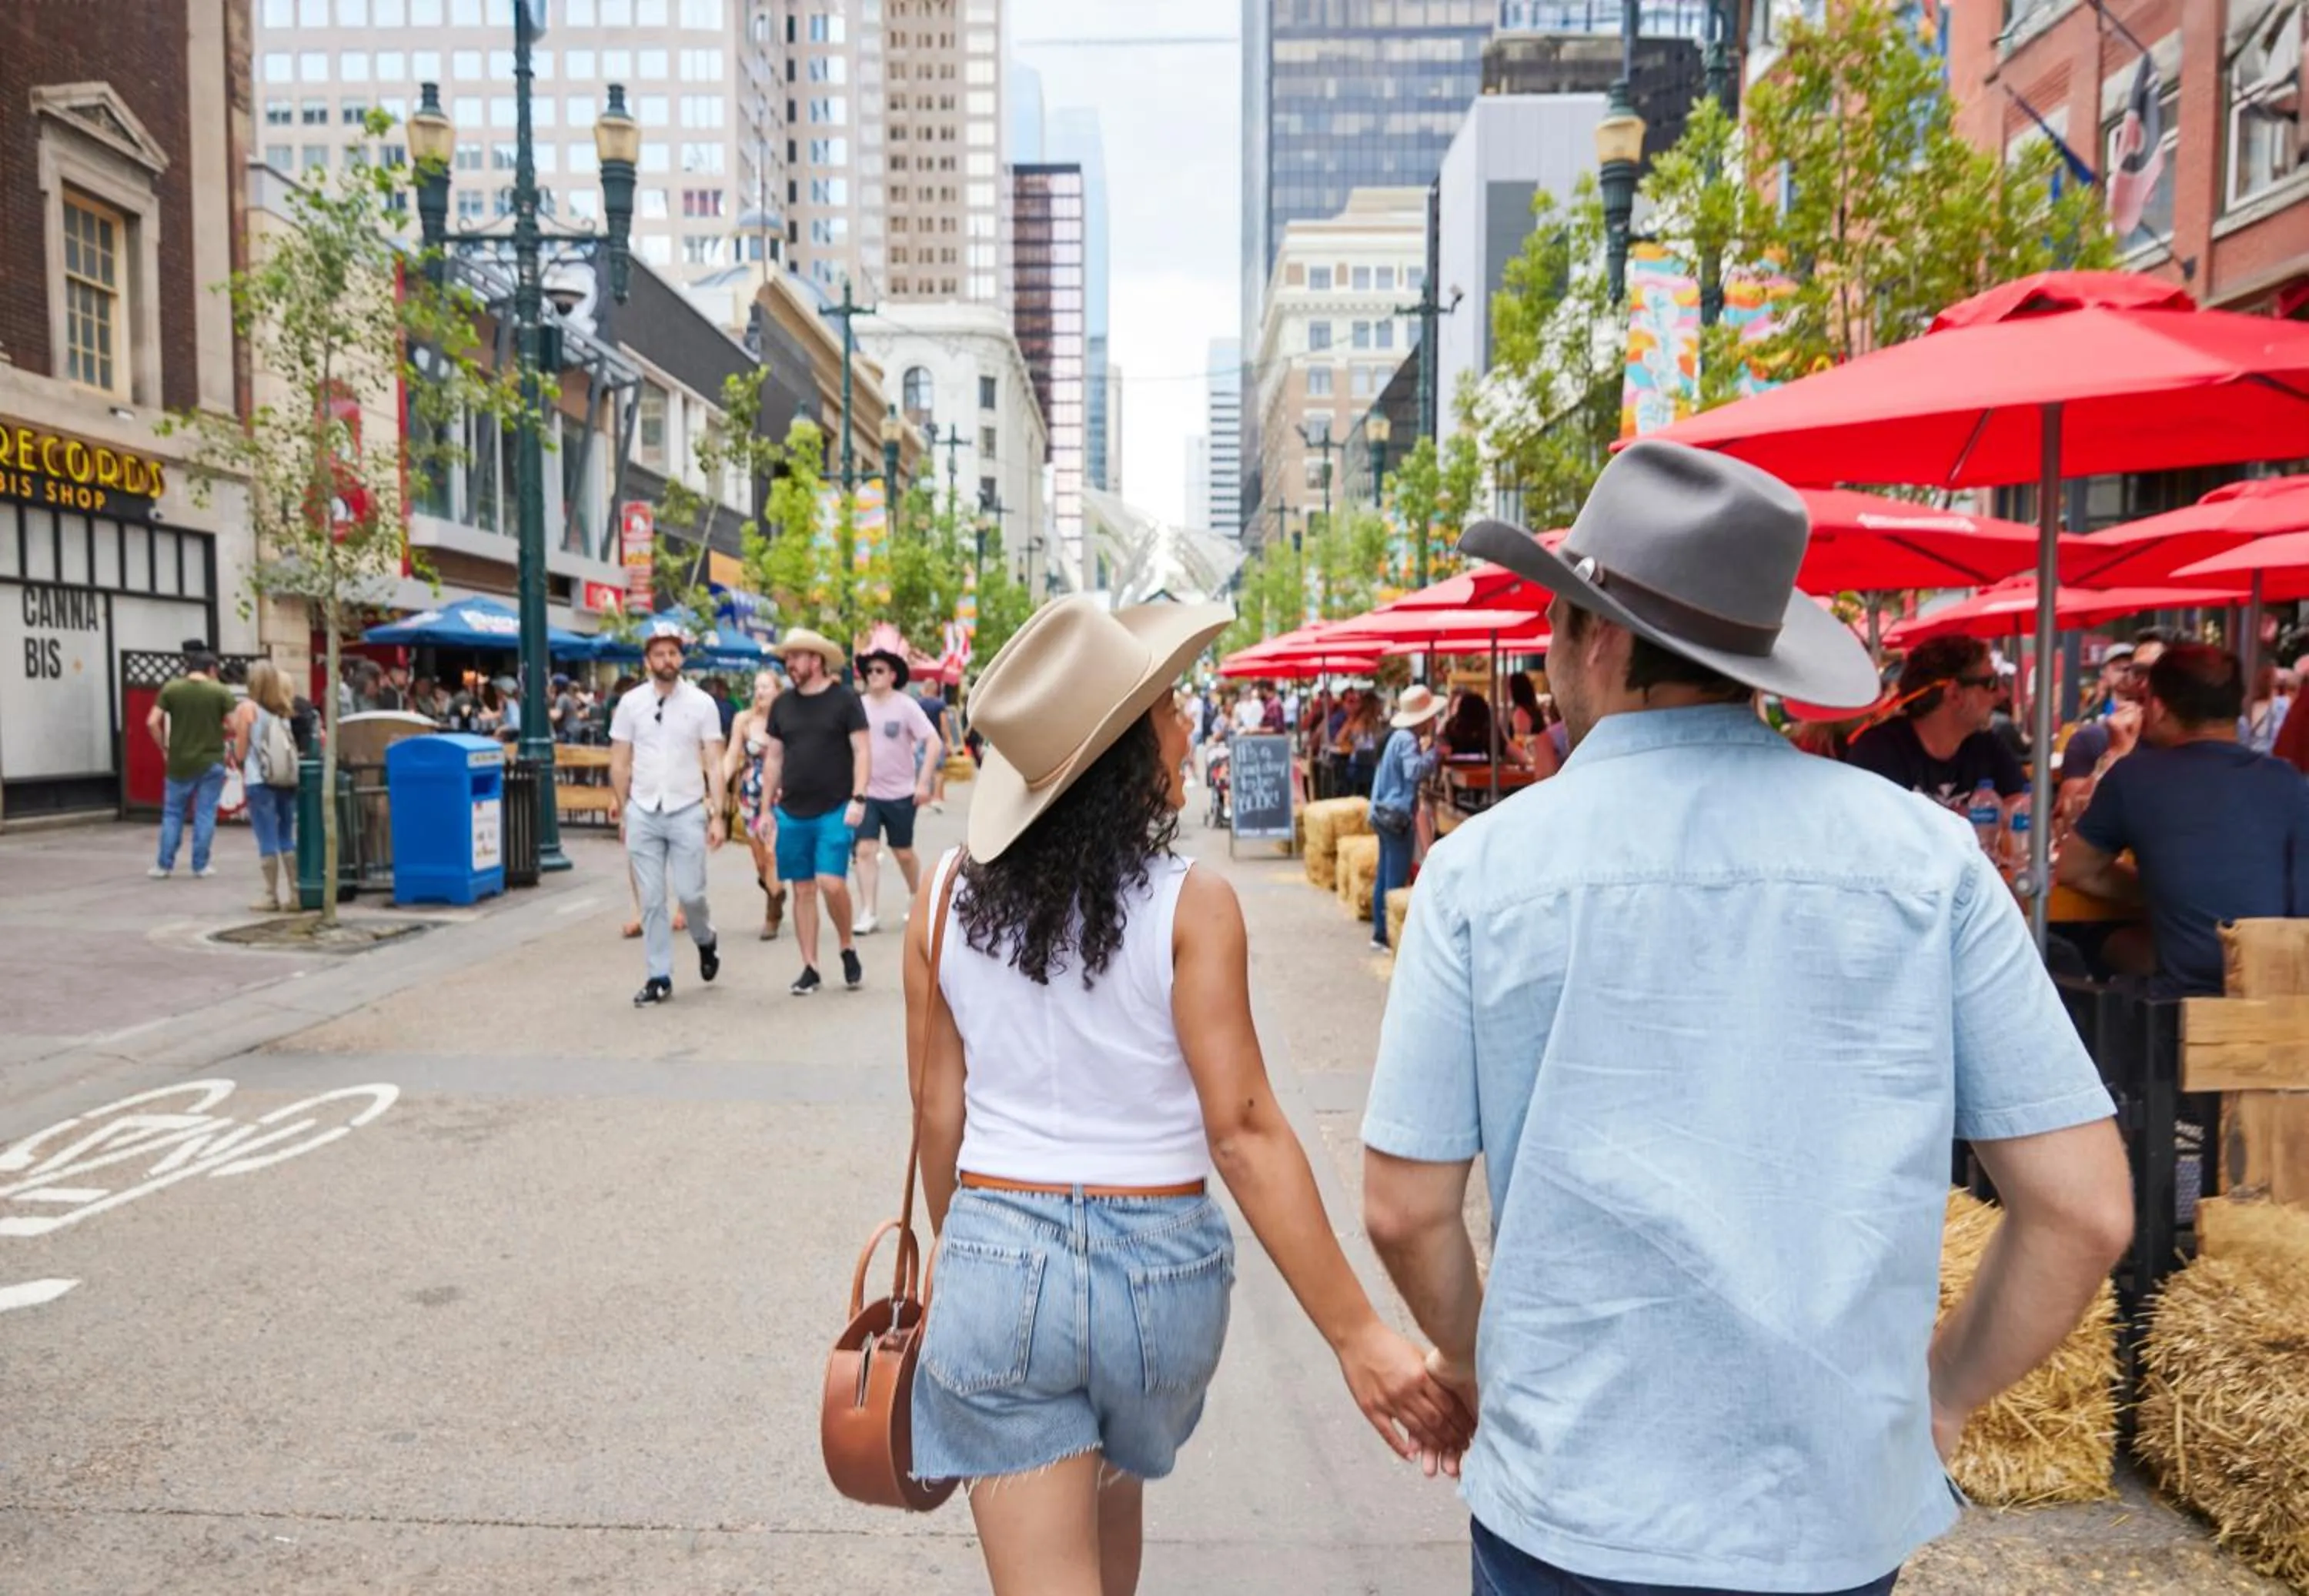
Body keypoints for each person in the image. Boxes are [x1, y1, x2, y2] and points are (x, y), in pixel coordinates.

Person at [1364, 442, 2132, 1595]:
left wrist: (1480, 1360)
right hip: (1828, 1509)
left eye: (1559, 614)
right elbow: (2082, 1207)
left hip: (1573, 1494)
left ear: (1600, 636)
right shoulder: (1927, 861)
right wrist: (1946, 1391)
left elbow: (1403, 1207)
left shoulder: (1483, 873)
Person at [905, 596, 1472, 1596]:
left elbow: (937, 1115)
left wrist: (978, 1250)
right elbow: (1246, 1134)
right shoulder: (1190, 903)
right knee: (1110, 1527)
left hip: (997, 1255)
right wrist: (1359, 1335)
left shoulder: (946, 896)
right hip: (1156, 1285)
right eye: (1168, 706)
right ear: (1125, 753)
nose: (1184, 722)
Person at [2057, 644, 2309, 997]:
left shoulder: (2134, 778)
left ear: (2158, 709)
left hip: (2182, 1008)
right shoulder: (2290, 781)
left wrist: (2158, 888)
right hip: (2285, 999)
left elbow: (2072, 869)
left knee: (2072, 940)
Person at [609, 621, 726, 1007]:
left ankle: (705, 940)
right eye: (659, 653)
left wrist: (718, 814)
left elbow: (714, 760)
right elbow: (621, 759)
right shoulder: (631, 703)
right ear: (647, 660)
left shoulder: (701, 704)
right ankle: (659, 975)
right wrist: (622, 804)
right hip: (643, 809)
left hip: (687, 807)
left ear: (682, 659)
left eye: (673, 653)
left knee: (691, 894)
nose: (667, 660)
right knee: (652, 900)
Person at [763, 627, 870, 995]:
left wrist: (859, 798)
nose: (789, 664)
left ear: (817, 660)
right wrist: (764, 809)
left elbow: (863, 751)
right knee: (803, 889)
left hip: (835, 808)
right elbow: (773, 758)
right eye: (787, 658)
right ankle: (810, 966)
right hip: (791, 811)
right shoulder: (782, 705)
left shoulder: (845, 701)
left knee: (830, 882)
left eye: (796, 656)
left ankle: (846, 944)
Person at [1844, 635, 2028, 816]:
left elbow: (2026, 806)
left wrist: (1971, 816)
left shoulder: (1987, 745)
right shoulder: (1879, 751)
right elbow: (1881, 828)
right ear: (1954, 693)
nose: (2003, 694)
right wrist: (1972, 819)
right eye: (1991, 683)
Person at [850, 646, 940, 937]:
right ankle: (868, 911)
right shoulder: (857, 706)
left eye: (879, 671)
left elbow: (933, 742)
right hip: (866, 792)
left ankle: (916, 894)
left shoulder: (906, 706)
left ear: (892, 676)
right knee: (865, 850)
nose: (873, 675)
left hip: (902, 793)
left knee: (902, 853)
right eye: (869, 671)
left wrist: (924, 782)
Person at [147, 648, 237, 880]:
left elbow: (151, 722)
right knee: (205, 813)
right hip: (211, 761)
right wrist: (218, 728)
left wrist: (164, 747)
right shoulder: (220, 691)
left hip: (179, 762)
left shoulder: (172, 688)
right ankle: (200, 865)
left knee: (173, 813)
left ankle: (163, 865)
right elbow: (234, 726)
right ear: (212, 669)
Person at [1367, 684, 1442, 952]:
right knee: (1395, 878)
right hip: (1396, 816)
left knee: (1384, 875)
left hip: (1382, 812)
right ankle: (1389, 935)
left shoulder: (1397, 738)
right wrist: (1436, 754)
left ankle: (1379, 932)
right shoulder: (1408, 740)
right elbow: (1413, 772)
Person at [227, 660, 302, 911]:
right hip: (284, 780)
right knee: (286, 836)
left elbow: (240, 752)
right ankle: (295, 893)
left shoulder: (248, 709)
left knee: (266, 836)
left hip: (259, 780)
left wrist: (238, 755)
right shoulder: (283, 710)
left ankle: (271, 895)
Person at [723, 669, 788, 940]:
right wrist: (716, 787)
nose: (760, 692)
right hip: (750, 794)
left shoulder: (787, 719)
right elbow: (731, 756)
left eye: (766, 687)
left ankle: (771, 916)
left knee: (772, 854)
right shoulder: (744, 720)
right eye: (757, 686)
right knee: (760, 861)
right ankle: (776, 891)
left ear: (777, 691)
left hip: (779, 793)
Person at [2240, 659, 2291, 756]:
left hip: (2250, 757)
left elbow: (2243, 738)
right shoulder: (2281, 705)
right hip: (2270, 758)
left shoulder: (2248, 704)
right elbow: (2278, 735)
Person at [917, 678, 953, 812]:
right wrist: (948, 741)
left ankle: (922, 799)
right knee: (938, 770)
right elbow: (944, 725)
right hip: (936, 739)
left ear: (925, 688)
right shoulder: (940, 704)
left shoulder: (918, 703)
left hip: (921, 739)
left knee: (922, 768)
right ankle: (937, 798)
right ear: (935, 689)